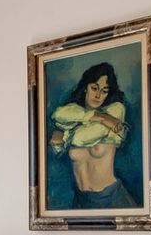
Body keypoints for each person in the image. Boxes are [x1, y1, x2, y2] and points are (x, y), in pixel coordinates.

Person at [49, 62, 137, 209]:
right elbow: (57, 115)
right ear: (85, 88)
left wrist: (65, 135)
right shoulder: (76, 112)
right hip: (80, 200)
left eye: (104, 91)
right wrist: (100, 118)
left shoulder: (115, 111)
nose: (98, 95)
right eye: (94, 88)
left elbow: (81, 138)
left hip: (111, 198)